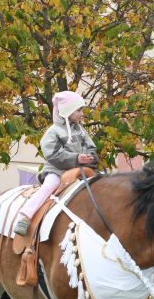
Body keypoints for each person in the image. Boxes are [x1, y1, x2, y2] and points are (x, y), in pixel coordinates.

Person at [14, 91, 98, 236]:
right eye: (78, 110)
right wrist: (76, 158)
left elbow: (91, 147)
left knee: (100, 182)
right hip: (57, 171)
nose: (81, 113)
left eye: (82, 110)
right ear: (67, 111)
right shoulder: (53, 132)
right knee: (48, 186)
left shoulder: (80, 130)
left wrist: (90, 157)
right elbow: (52, 154)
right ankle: (26, 216)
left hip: (80, 170)